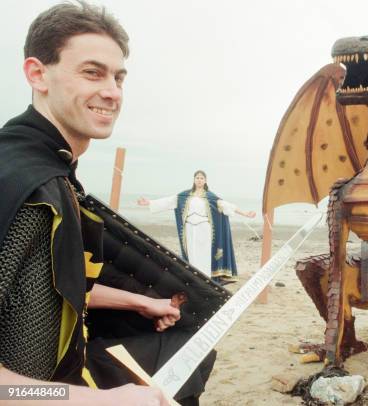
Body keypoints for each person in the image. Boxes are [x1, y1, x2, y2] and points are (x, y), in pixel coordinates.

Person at [0, 3, 212, 405]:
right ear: (37, 73)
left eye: (118, 77)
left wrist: (141, 302)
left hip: (66, 365)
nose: (112, 91)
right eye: (92, 72)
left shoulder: (54, 169)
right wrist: (100, 401)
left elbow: (51, 285)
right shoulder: (22, 186)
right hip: (35, 392)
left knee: (188, 348)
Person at [138, 170, 255, 282]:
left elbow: (227, 206)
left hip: (204, 229)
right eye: (197, 178)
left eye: (202, 178)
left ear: (205, 181)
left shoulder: (211, 197)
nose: (199, 180)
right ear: (194, 180)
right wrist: (149, 202)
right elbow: (168, 201)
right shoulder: (185, 196)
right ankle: (194, 277)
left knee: (204, 254)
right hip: (189, 229)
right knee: (191, 252)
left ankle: (205, 277)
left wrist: (245, 213)